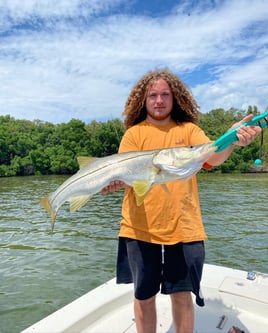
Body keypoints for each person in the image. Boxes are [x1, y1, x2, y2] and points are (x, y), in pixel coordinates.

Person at [101, 69, 262, 333]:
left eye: (165, 94)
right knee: (143, 295)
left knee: (182, 294)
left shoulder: (188, 131)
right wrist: (114, 184)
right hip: (138, 227)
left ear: (175, 98)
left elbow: (212, 155)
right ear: (144, 100)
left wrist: (232, 137)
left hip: (184, 227)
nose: (159, 100)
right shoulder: (133, 135)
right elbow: (122, 176)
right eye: (153, 95)